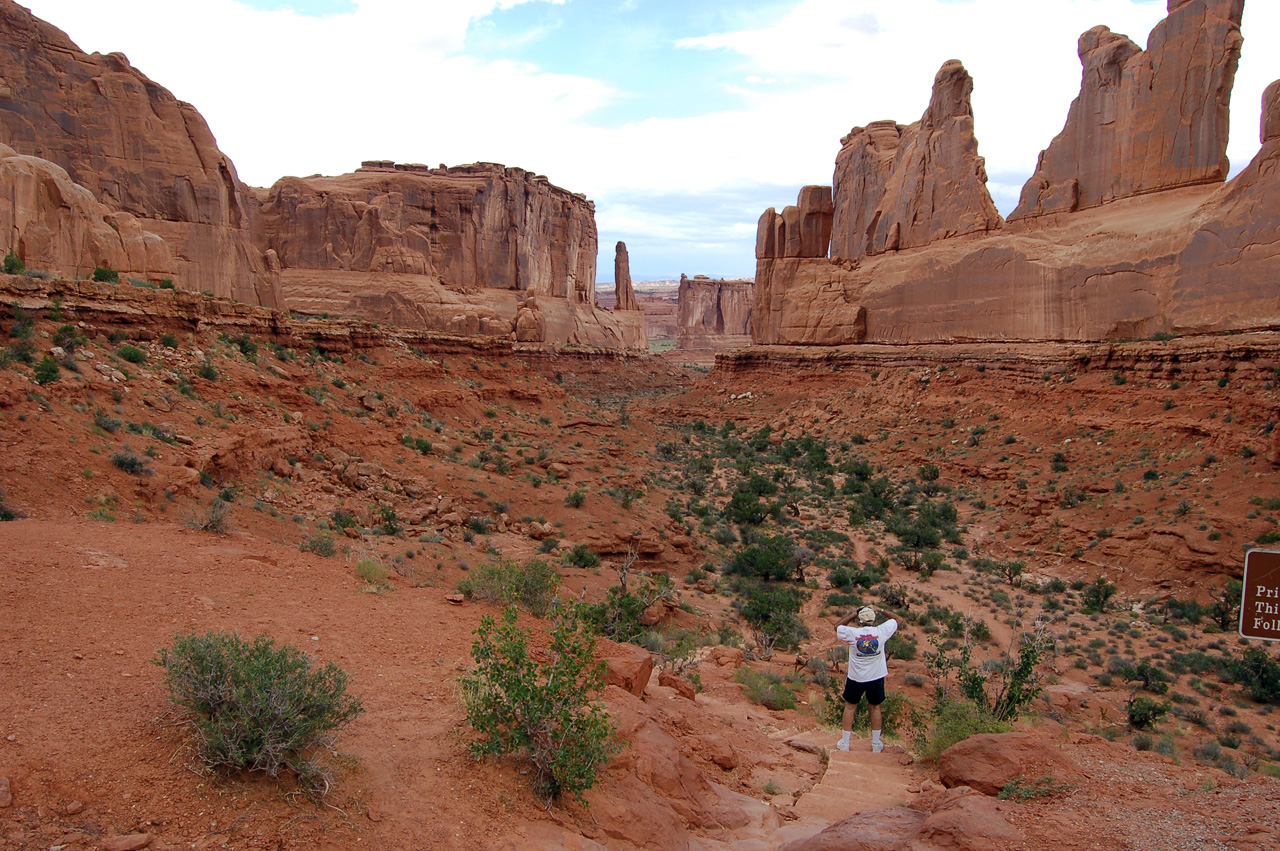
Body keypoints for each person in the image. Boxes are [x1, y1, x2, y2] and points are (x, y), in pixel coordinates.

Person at [835, 604, 898, 753]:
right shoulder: (881, 631)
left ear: (860, 622)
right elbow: (898, 619)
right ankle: (876, 744)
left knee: (850, 707)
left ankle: (845, 743)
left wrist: (854, 613)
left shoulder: (852, 633)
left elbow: (837, 626)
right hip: (876, 677)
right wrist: (881, 609)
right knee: (875, 708)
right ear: (874, 619)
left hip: (856, 677)